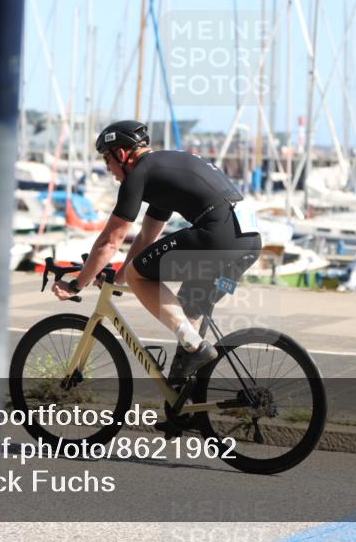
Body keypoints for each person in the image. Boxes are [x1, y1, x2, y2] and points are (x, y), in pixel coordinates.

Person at [52, 120, 263, 383]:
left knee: (140, 278)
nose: (107, 168)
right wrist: (117, 278)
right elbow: (146, 238)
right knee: (189, 309)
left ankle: (195, 347)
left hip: (218, 237)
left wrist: (76, 284)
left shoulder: (140, 174)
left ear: (121, 153)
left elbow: (111, 240)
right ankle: (186, 405)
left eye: (107, 159)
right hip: (249, 245)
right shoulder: (163, 170)